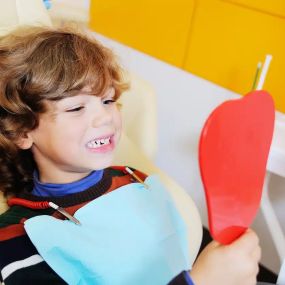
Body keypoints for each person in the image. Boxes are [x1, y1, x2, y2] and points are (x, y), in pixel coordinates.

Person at [0, 26, 261, 285]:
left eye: (108, 100)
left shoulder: (135, 179)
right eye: (77, 107)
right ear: (23, 131)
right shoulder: (15, 237)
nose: (104, 117)